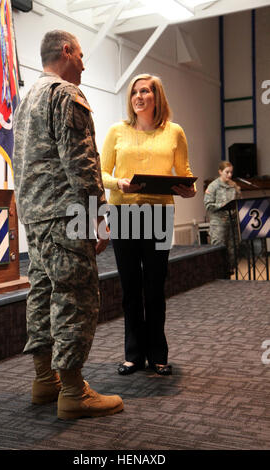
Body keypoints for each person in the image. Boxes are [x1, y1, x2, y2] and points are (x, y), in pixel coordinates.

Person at [12, 30, 123, 420]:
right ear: (66, 51)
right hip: (65, 216)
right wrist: (99, 217)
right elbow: (82, 164)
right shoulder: (65, 94)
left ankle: (46, 381)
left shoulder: (25, 100)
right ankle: (74, 392)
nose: (83, 63)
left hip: (36, 219)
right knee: (75, 297)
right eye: (80, 55)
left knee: (42, 294)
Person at [100, 73, 196, 376]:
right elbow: (100, 173)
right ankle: (133, 355)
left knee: (155, 288)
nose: (139, 97)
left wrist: (189, 190)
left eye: (145, 91)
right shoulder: (117, 131)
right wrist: (119, 182)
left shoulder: (174, 132)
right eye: (134, 93)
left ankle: (158, 355)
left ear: (157, 97)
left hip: (158, 215)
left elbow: (185, 173)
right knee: (130, 288)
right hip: (124, 213)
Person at [204, 161, 241, 274]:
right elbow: (208, 204)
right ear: (220, 172)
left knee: (234, 248)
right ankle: (217, 273)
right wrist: (222, 205)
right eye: (227, 172)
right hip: (218, 223)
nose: (229, 175)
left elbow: (238, 201)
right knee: (219, 248)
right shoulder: (213, 186)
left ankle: (230, 271)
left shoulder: (233, 185)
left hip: (232, 221)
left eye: (231, 172)